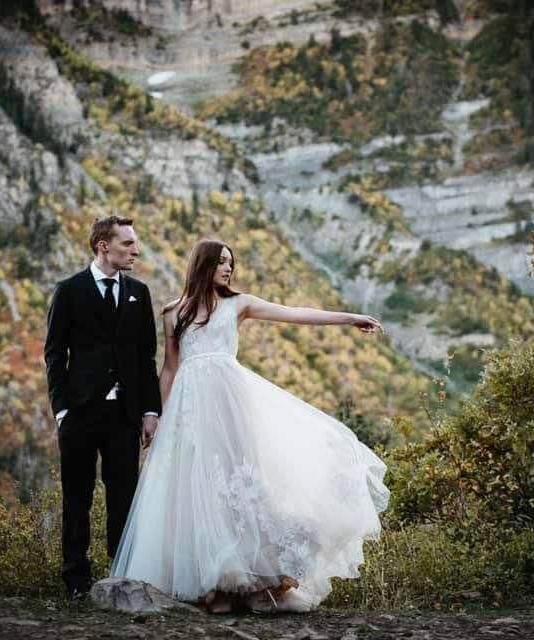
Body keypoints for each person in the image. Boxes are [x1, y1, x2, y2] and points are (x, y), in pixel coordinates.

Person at [111, 239, 389, 613]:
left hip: (229, 403)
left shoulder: (237, 304)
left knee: (239, 485)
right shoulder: (172, 312)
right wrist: (156, 416)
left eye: (231, 263)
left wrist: (348, 317)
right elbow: (171, 367)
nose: (228, 269)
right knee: (195, 490)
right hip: (189, 408)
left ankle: (253, 582)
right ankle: (213, 585)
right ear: (204, 265)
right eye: (222, 262)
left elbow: (294, 313)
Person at [44, 215, 162, 600]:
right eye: (127, 243)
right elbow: (54, 355)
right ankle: (76, 581)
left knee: (123, 496)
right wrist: (61, 410)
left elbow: (146, 357)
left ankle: (121, 576)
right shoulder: (70, 291)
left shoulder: (139, 293)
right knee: (76, 497)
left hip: (124, 416)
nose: (135, 250)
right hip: (79, 413)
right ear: (103, 247)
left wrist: (150, 411)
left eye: (134, 243)